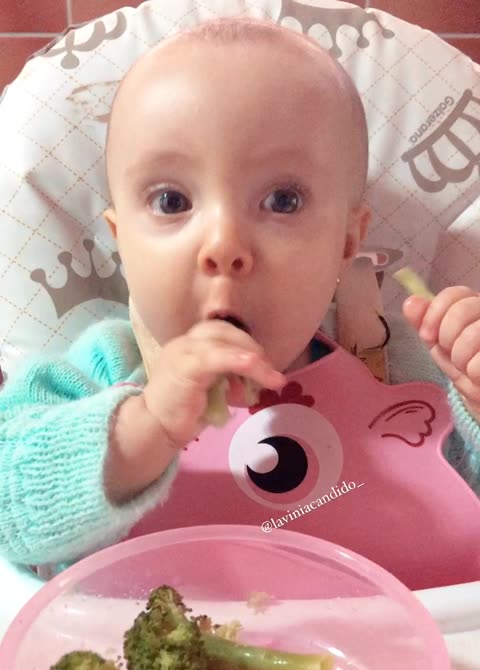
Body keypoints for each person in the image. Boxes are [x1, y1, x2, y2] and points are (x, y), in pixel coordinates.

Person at [0, 17, 479, 576]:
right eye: (172, 201)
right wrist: (142, 430)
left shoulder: (399, 368)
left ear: (347, 243)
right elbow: (11, 514)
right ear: (121, 241)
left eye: (282, 200)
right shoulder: (98, 371)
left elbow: (461, 507)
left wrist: (475, 403)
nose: (224, 245)